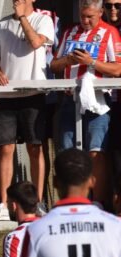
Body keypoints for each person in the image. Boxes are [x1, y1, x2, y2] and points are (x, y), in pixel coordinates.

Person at [0, 0, 55, 220]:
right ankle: (4, 205)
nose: (16, 1)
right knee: (4, 150)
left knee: (35, 148)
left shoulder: (43, 19)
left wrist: (22, 18)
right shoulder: (0, 25)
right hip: (6, 96)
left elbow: (35, 43)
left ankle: (37, 202)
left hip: (33, 94)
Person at [51, 0, 121, 210]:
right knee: (66, 151)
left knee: (96, 152)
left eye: (90, 16)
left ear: (100, 13)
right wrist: (68, 61)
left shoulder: (109, 32)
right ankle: (69, 201)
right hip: (69, 99)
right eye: (83, 16)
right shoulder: (70, 32)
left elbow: (118, 69)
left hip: (98, 100)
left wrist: (91, 62)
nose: (86, 20)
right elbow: (54, 65)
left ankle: (97, 202)